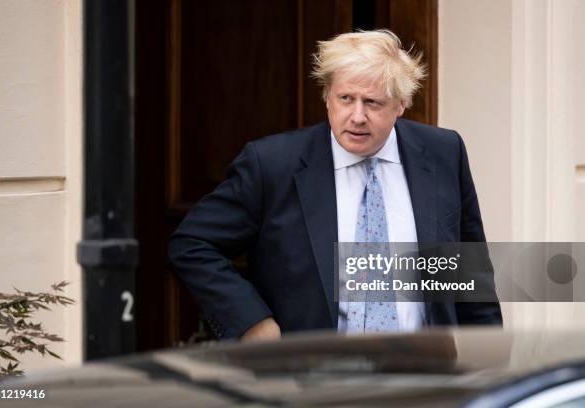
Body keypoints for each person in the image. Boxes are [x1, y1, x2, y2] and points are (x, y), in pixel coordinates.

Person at [168, 30, 502, 341]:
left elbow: (471, 275)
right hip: (312, 383)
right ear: (327, 96)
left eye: (373, 103)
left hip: (424, 379)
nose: (357, 116)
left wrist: (490, 368)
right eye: (346, 98)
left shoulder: (443, 153)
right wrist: (252, 322)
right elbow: (193, 244)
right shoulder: (272, 164)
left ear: (401, 105)